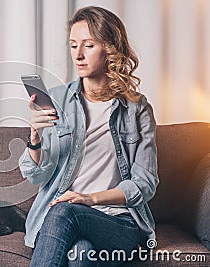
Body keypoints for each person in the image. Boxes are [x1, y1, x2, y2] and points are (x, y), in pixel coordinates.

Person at [18, 6, 159, 267]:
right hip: (63, 221)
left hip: (119, 222)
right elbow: (37, 175)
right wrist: (35, 137)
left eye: (89, 45)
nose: (78, 55)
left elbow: (146, 183)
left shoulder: (137, 109)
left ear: (110, 49)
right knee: (80, 256)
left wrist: (89, 199)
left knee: (65, 211)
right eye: (73, 46)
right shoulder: (58, 100)